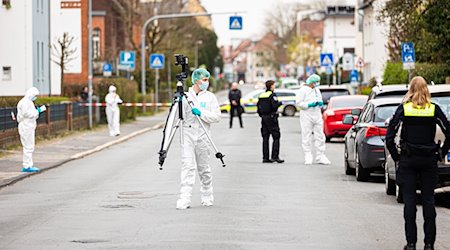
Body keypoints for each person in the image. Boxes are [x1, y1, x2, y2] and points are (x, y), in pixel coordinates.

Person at [386, 76, 450, 250]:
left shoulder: (404, 109)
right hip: (428, 160)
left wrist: (397, 157)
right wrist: (441, 153)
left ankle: (411, 243)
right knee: (429, 201)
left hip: (409, 160)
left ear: (411, 90)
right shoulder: (433, 109)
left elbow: (389, 136)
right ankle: (429, 245)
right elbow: (449, 132)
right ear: (426, 89)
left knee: (410, 203)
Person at [176, 68, 221, 210]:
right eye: (204, 80)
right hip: (188, 134)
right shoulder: (185, 96)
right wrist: (179, 100)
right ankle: (184, 198)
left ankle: (207, 195)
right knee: (187, 167)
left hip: (203, 135)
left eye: (207, 80)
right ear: (196, 80)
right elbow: (178, 115)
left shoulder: (210, 97)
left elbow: (217, 116)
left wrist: (201, 113)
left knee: (204, 169)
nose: (206, 82)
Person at [297, 74, 330, 165]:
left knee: (320, 135)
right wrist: (309, 104)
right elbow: (299, 103)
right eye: (316, 82)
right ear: (311, 82)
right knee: (306, 135)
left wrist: (320, 103)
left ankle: (320, 156)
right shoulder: (302, 90)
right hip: (306, 115)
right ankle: (308, 155)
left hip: (317, 114)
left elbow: (320, 99)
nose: (317, 84)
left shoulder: (316, 90)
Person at [16, 87, 46, 172]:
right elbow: (27, 114)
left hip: (28, 126)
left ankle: (28, 164)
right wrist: (38, 111)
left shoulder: (28, 102)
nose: (35, 97)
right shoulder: (25, 102)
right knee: (28, 147)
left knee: (29, 146)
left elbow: (32, 113)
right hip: (26, 127)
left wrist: (36, 111)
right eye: (35, 95)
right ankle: (27, 166)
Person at [257, 80, 284, 164]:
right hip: (272, 118)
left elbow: (258, 107)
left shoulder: (261, 95)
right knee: (276, 136)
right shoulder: (272, 95)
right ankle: (275, 157)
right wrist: (280, 103)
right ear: (271, 86)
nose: (274, 86)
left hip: (264, 118)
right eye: (273, 85)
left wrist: (262, 115)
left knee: (265, 138)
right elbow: (274, 105)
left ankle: (265, 158)